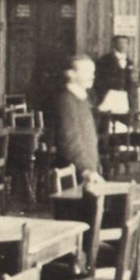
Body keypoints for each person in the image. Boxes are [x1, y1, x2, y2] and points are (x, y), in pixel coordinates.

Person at [49, 54, 101, 187]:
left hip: (87, 170)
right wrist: (85, 169)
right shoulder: (66, 101)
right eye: (86, 72)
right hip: (75, 173)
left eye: (93, 72)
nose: (92, 76)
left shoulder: (81, 98)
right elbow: (70, 139)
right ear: (70, 74)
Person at [92, 34, 137, 115]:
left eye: (125, 43)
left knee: (123, 118)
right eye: (120, 42)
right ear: (114, 44)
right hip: (109, 95)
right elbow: (98, 79)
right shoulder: (105, 60)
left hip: (124, 96)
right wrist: (103, 93)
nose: (123, 45)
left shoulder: (129, 62)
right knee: (107, 117)